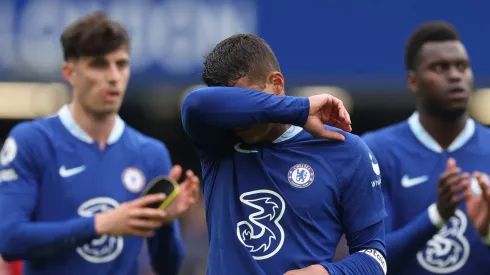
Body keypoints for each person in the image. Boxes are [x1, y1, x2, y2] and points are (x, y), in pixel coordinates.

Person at [0, 11, 200, 275]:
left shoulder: (150, 154)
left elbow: (168, 267)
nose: (114, 76)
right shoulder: (31, 141)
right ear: (69, 72)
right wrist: (100, 224)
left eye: (121, 64)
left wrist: (163, 224)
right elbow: (9, 239)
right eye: (99, 64)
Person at [181, 33, 387, 275]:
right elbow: (194, 103)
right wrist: (300, 109)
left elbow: (374, 258)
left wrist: (326, 273)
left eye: (249, 98)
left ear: (277, 84)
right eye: (233, 105)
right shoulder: (217, 143)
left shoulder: (345, 151)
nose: (240, 118)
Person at [362, 21, 490, 274]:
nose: (455, 76)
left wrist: (488, 234)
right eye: (439, 67)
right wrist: (436, 216)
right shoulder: (375, 150)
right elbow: (371, 259)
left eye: (462, 66)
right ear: (413, 81)